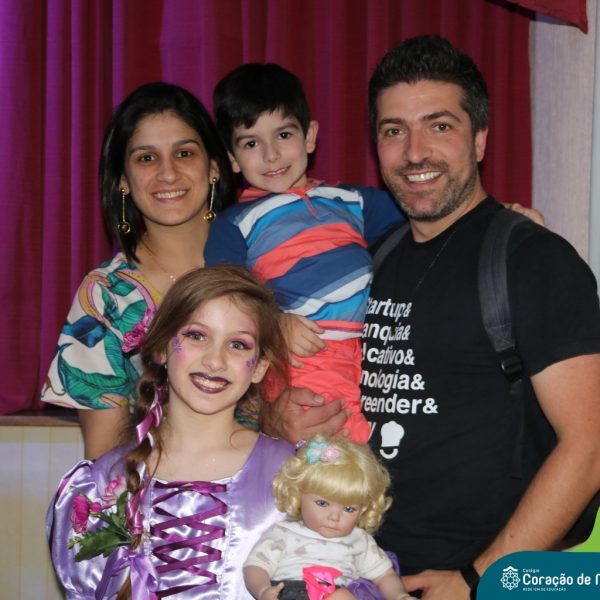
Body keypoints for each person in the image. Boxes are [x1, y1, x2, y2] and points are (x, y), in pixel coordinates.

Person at [262, 35, 600, 600]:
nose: (415, 152)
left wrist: (481, 579)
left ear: (481, 139)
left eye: (439, 126)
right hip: (365, 574)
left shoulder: (534, 259)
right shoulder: (370, 259)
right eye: (394, 130)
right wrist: (276, 417)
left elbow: (589, 446)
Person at [46, 265, 295, 599]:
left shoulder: (293, 476)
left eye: (238, 344)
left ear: (260, 367)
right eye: (197, 336)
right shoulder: (104, 483)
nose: (215, 361)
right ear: (162, 348)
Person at [204, 63, 406, 444]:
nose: (271, 155)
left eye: (283, 135)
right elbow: (223, 301)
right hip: (304, 353)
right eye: (251, 144)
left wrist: (497, 215)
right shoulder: (235, 223)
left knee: (374, 450)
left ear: (309, 136)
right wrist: (273, 325)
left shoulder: (352, 200)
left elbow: (428, 218)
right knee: (336, 452)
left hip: (370, 350)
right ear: (232, 158)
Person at [41, 82, 236, 459]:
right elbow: (106, 461)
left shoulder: (264, 265)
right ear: (123, 181)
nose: (168, 173)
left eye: (184, 153)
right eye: (146, 158)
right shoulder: (105, 297)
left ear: (214, 167)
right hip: (152, 494)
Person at [244, 434, 412, 600]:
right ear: (299, 495)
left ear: (363, 509)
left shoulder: (360, 540)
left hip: (338, 594)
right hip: (291, 591)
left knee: (342, 596)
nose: (334, 517)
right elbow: (256, 567)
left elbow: (385, 576)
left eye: (348, 509)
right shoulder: (283, 533)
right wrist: (263, 590)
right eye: (322, 503)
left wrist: (399, 595)